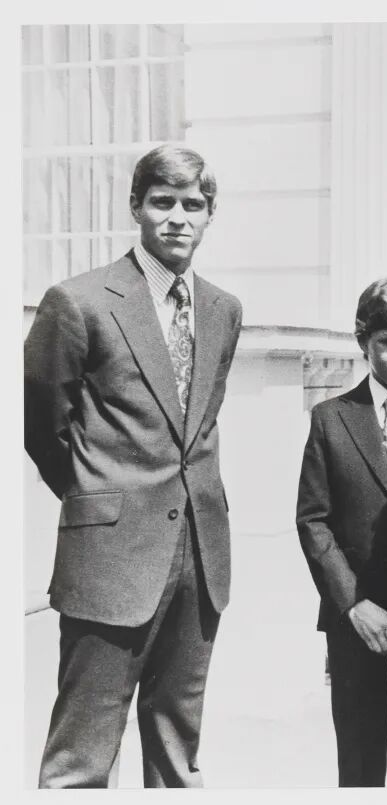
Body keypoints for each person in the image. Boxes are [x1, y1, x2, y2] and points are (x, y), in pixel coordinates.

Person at [25, 144, 243, 788]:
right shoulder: (79, 302)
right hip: (110, 560)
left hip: (199, 556)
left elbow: (198, 423)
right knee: (82, 760)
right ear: (135, 207)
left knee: (177, 754)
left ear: (209, 215)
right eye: (162, 202)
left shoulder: (223, 309)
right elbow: (41, 424)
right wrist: (98, 497)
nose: (177, 217)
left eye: (192, 205)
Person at [296, 278, 387, 786]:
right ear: (364, 341)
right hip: (355, 619)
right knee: (359, 762)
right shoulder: (331, 418)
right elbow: (313, 520)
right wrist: (354, 604)